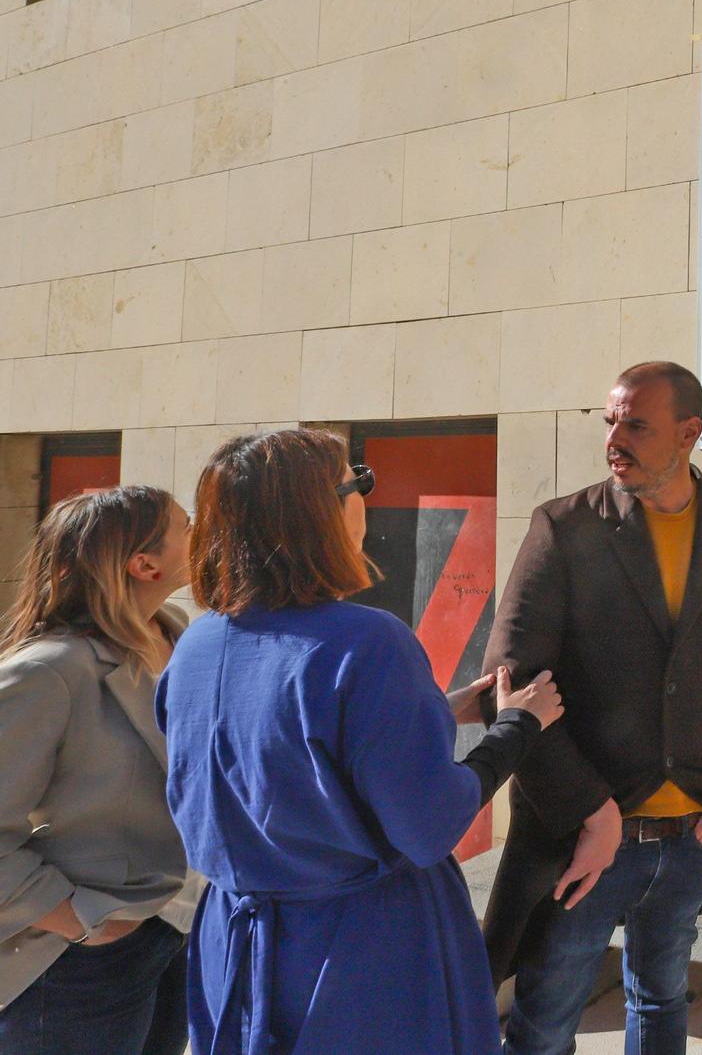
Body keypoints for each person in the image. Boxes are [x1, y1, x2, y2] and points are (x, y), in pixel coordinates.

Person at [158, 429, 563, 1054]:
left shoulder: (197, 643)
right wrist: (517, 727)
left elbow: (288, 746)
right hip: (361, 955)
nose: (365, 497)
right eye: (358, 482)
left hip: (233, 949)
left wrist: (437, 710)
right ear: (319, 511)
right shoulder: (368, 641)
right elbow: (427, 824)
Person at [482, 361, 702, 1055]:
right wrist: (590, 810)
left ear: (689, 433)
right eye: (610, 421)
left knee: (660, 1003)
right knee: (544, 1021)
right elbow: (511, 684)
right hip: (585, 842)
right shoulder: (563, 528)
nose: (614, 439)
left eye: (636, 424)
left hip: (694, 838)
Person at [0, 487, 196, 1054]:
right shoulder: (47, 671)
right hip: (76, 958)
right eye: (187, 525)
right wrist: (85, 922)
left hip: (175, 932)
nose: (203, 533)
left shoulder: (177, 633)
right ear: (144, 563)